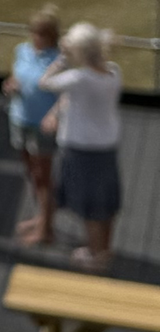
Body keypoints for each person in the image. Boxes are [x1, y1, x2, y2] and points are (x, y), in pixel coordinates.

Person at [43, 21, 125, 273]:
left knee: (90, 206)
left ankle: (94, 254)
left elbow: (44, 82)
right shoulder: (114, 72)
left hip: (81, 150)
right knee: (106, 203)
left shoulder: (78, 78)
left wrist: (62, 58)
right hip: (107, 147)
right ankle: (105, 249)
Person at [7, 5, 65, 248]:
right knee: (32, 173)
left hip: (42, 126)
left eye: (42, 34)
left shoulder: (60, 61)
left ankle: (46, 229)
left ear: (52, 36)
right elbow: (16, 78)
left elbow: (66, 96)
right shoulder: (22, 51)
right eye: (34, 32)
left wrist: (54, 116)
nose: (36, 38)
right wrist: (10, 86)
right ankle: (41, 217)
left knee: (43, 176)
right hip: (19, 119)